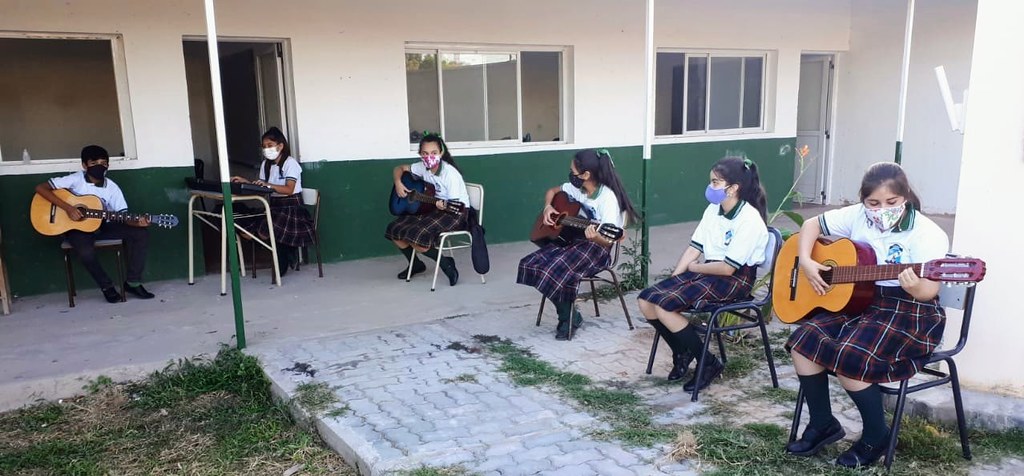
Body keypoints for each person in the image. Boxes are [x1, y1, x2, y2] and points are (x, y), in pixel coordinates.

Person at [784, 162, 949, 468]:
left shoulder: (927, 233)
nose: (880, 209)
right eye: (873, 203)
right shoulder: (858, 215)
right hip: (865, 302)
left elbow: (929, 290)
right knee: (803, 341)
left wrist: (916, 287)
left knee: (851, 357)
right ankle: (823, 423)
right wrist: (806, 261)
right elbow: (811, 226)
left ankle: (877, 436)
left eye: (891, 202)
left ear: (905, 198)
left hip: (912, 312)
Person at [637, 156, 769, 392]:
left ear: (733, 188)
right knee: (647, 300)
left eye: (716, 183)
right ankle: (682, 351)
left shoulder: (749, 219)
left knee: (665, 306)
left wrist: (695, 268)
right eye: (711, 181)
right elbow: (694, 248)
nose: (711, 187)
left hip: (735, 279)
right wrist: (674, 278)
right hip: (710, 271)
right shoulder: (713, 210)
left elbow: (728, 268)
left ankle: (707, 362)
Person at [517, 149, 637, 340]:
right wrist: (548, 206)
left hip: (597, 249)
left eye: (573, 171)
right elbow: (553, 191)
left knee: (553, 270)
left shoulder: (607, 198)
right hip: (572, 242)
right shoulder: (578, 189)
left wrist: (595, 237)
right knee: (530, 263)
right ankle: (572, 314)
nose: (571, 175)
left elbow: (608, 239)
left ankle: (567, 318)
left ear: (586, 175)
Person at [34, 145, 154, 303]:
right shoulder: (75, 179)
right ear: (84, 165)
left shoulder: (112, 187)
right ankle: (106, 287)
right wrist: (69, 208)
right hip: (77, 228)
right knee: (86, 252)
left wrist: (138, 222)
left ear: (108, 165)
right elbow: (40, 188)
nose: (99, 166)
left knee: (141, 233)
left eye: (103, 162)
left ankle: (132, 282)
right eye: (94, 162)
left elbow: (122, 215)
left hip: (105, 226)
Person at [385, 133, 470, 286]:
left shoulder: (450, 174)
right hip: (435, 208)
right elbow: (399, 168)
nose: (429, 157)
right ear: (420, 154)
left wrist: (442, 205)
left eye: (433, 153)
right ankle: (416, 264)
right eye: (425, 153)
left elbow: (453, 205)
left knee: (417, 235)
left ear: (441, 153)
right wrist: (398, 182)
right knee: (395, 228)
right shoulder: (422, 167)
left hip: (456, 212)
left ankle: (446, 264)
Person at [231, 127, 315, 276]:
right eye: (264, 146)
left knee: (266, 228)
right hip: (274, 206)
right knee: (247, 224)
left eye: (270, 145)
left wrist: (268, 185)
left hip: (292, 209)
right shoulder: (266, 165)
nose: (266, 149)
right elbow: (262, 187)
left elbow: (289, 189)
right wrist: (247, 182)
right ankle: (287, 251)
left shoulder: (290, 163)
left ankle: (284, 255)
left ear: (280, 145)